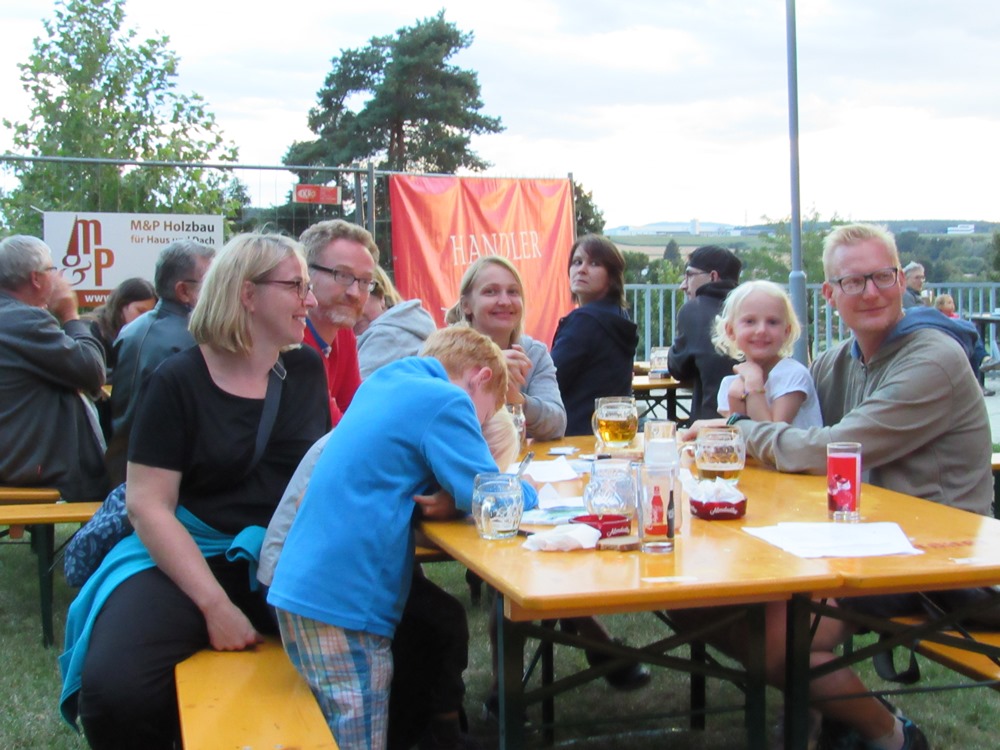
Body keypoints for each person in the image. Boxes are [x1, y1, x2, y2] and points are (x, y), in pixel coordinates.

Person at [681, 224, 988, 750]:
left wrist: (735, 429)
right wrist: (733, 410)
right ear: (829, 293)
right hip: (854, 534)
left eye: (883, 276)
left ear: (902, 281)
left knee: (778, 641)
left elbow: (823, 450)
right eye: (853, 281)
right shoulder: (838, 360)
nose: (871, 292)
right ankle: (824, 710)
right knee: (701, 599)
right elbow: (788, 430)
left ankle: (891, 736)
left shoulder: (932, 359)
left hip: (936, 554)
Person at [61, 233, 331, 749]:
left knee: (412, 628)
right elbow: (148, 505)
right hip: (186, 558)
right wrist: (215, 606)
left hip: (280, 557)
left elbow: (314, 480)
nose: (311, 300)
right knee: (116, 692)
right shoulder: (176, 380)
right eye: (297, 286)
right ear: (247, 294)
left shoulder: (304, 370)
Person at [267, 326, 538, 750]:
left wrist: (453, 498)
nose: (477, 428)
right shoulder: (446, 400)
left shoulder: (385, 383)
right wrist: (531, 491)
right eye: (483, 418)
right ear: (480, 377)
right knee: (357, 737)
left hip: (304, 585)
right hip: (346, 601)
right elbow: (489, 494)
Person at [0, 234, 108, 502]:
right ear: (36, 278)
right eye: (53, 269)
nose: (59, 277)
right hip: (25, 469)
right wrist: (71, 315)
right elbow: (93, 371)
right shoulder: (26, 320)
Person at [104, 240, 215, 486]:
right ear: (183, 291)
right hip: (165, 479)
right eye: (213, 281)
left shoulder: (131, 329)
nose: (221, 289)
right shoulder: (196, 341)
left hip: (121, 471)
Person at [446, 255, 566, 440]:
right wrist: (489, 372)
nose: (505, 301)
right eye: (490, 292)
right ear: (466, 305)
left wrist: (516, 399)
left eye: (513, 292)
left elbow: (557, 424)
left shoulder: (533, 353)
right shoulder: (444, 353)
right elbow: (436, 423)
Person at [551, 235, 638, 436]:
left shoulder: (585, 321)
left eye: (594, 263)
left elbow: (550, 381)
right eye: (577, 262)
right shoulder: (618, 315)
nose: (582, 269)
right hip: (609, 433)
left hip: (572, 437)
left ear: (612, 276)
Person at [711, 280, 822, 428]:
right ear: (731, 331)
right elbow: (742, 434)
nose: (761, 330)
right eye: (750, 321)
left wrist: (753, 383)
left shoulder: (793, 375)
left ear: (786, 332)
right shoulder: (732, 384)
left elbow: (770, 436)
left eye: (772, 322)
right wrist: (734, 399)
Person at [299, 219, 378, 424]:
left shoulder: (343, 333)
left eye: (364, 281)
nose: (354, 293)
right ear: (306, 274)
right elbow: (342, 431)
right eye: (342, 275)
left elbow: (356, 417)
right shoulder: (290, 339)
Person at [668, 244, 742, 422]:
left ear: (713, 276)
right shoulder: (752, 308)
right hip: (759, 422)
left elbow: (679, 369)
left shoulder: (694, 310)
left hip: (712, 424)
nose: (683, 285)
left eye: (689, 275)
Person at [355, 265, 437, 379]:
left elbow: (357, 388)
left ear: (381, 297)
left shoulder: (386, 335)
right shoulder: (409, 325)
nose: (355, 313)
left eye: (359, 301)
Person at [84, 277, 157, 371]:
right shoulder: (91, 329)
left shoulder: (147, 334)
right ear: (121, 306)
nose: (146, 318)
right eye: (140, 311)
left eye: (150, 314)